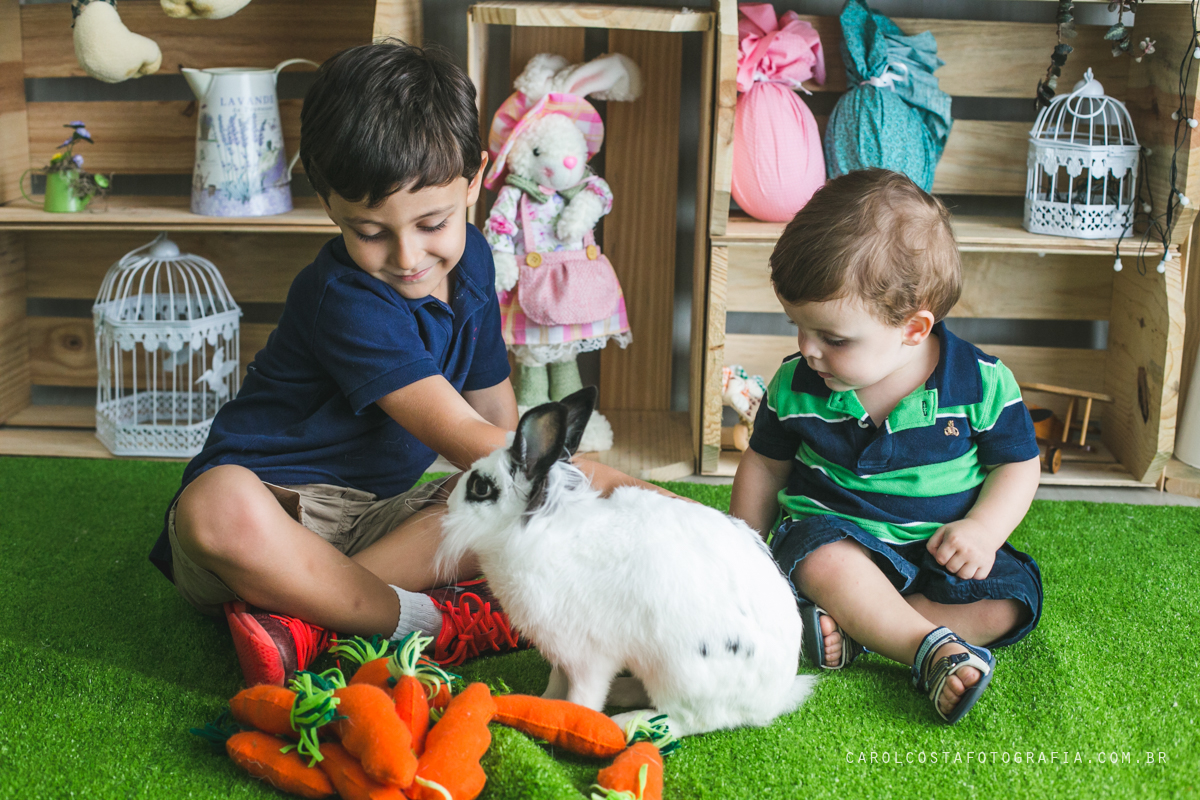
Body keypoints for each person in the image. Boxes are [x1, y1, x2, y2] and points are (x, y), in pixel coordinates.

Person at [148, 41, 661, 687]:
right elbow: (463, 434)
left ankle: (304, 626)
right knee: (214, 506)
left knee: (514, 496)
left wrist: (617, 503)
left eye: (432, 223)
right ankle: (424, 623)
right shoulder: (344, 299)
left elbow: (496, 413)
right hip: (267, 523)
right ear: (328, 202)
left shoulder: (472, 259)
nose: (408, 256)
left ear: (476, 178)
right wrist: (590, 480)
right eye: (370, 232)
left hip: (377, 525)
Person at [729, 169, 1044, 724]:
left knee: (1011, 598)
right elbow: (763, 465)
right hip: (838, 542)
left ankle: (865, 631)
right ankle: (927, 650)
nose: (808, 350)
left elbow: (1017, 466)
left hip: (936, 552)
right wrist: (743, 551)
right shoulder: (795, 387)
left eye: (833, 337)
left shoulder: (981, 384)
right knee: (820, 555)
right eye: (798, 327)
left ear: (914, 328)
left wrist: (984, 531)